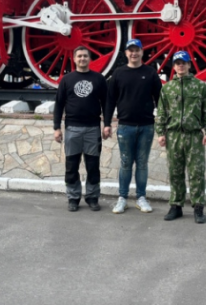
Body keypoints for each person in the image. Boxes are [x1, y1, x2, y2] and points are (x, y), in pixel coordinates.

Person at [155, 51, 206, 224]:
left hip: (194, 135)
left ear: (189, 65)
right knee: (175, 172)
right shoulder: (167, 88)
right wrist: (160, 133)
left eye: (184, 63)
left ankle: (198, 207)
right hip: (173, 135)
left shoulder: (200, 86)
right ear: (174, 67)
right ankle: (176, 206)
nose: (180, 66)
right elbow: (161, 112)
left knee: (196, 173)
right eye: (177, 63)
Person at [103, 39, 161, 214]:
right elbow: (110, 100)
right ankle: (122, 198)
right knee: (126, 163)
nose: (134, 53)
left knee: (142, 163)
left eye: (137, 50)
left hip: (146, 126)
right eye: (130, 50)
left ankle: (141, 197)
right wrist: (106, 123)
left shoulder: (151, 73)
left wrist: (164, 125)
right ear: (126, 53)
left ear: (142, 52)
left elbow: (160, 100)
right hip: (125, 125)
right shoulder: (118, 73)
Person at [54, 46, 108, 212]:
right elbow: (59, 104)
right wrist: (56, 127)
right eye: (79, 56)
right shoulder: (66, 79)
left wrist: (106, 124)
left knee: (93, 166)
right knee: (71, 166)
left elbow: (106, 103)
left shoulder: (98, 79)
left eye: (85, 56)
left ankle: (92, 197)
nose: (82, 59)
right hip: (72, 129)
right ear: (74, 59)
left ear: (89, 59)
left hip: (93, 129)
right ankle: (73, 197)